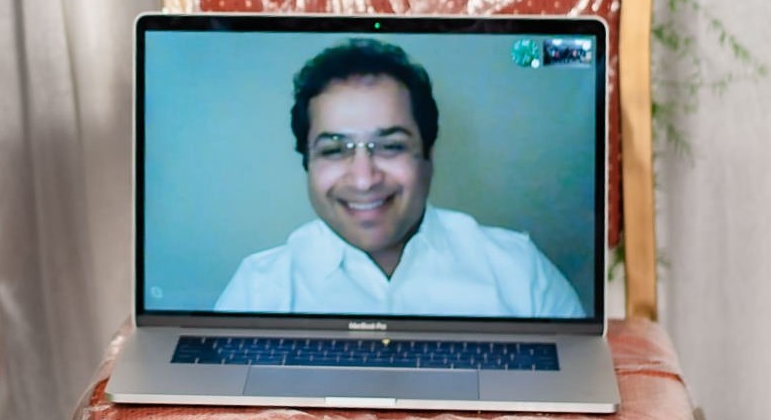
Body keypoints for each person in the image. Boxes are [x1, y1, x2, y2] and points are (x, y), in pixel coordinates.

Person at [215, 39, 585, 318]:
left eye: (390, 146)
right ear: (307, 164)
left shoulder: (518, 271)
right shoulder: (259, 288)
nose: (363, 179)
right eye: (334, 149)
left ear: (428, 156)